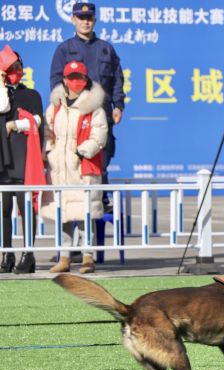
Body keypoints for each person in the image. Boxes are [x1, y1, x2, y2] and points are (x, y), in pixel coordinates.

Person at [42, 61, 108, 274]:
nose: (75, 81)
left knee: (84, 214)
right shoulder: (55, 106)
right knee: (63, 215)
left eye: (79, 77)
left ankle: (88, 257)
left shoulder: (94, 107)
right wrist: (49, 152)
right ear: (64, 80)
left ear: (86, 79)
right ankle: (64, 257)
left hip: (82, 169)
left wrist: (80, 152)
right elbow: (47, 132)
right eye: (71, 77)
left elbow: (99, 136)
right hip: (59, 170)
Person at [50, 2, 124, 176]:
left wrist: (118, 106)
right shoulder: (64, 49)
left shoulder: (106, 49)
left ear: (95, 20)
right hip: (74, 115)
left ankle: (101, 191)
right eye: (81, 18)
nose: (85, 22)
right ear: (73, 20)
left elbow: (117, 79)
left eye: (89, 18)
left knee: (101, 160)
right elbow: (56, 81)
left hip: (102, 112)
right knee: (73, 161)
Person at [0, 47, 44, 274]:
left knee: (26, 207)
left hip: (23, 160)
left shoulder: (31, 95)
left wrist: (16, 124)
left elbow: (38, 120)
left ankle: (28, 254)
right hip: (3, 160)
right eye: (10, 68)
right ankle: (6, 253)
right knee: (4, 208)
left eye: (18, 67)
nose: (15, 71)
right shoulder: (2, 94)